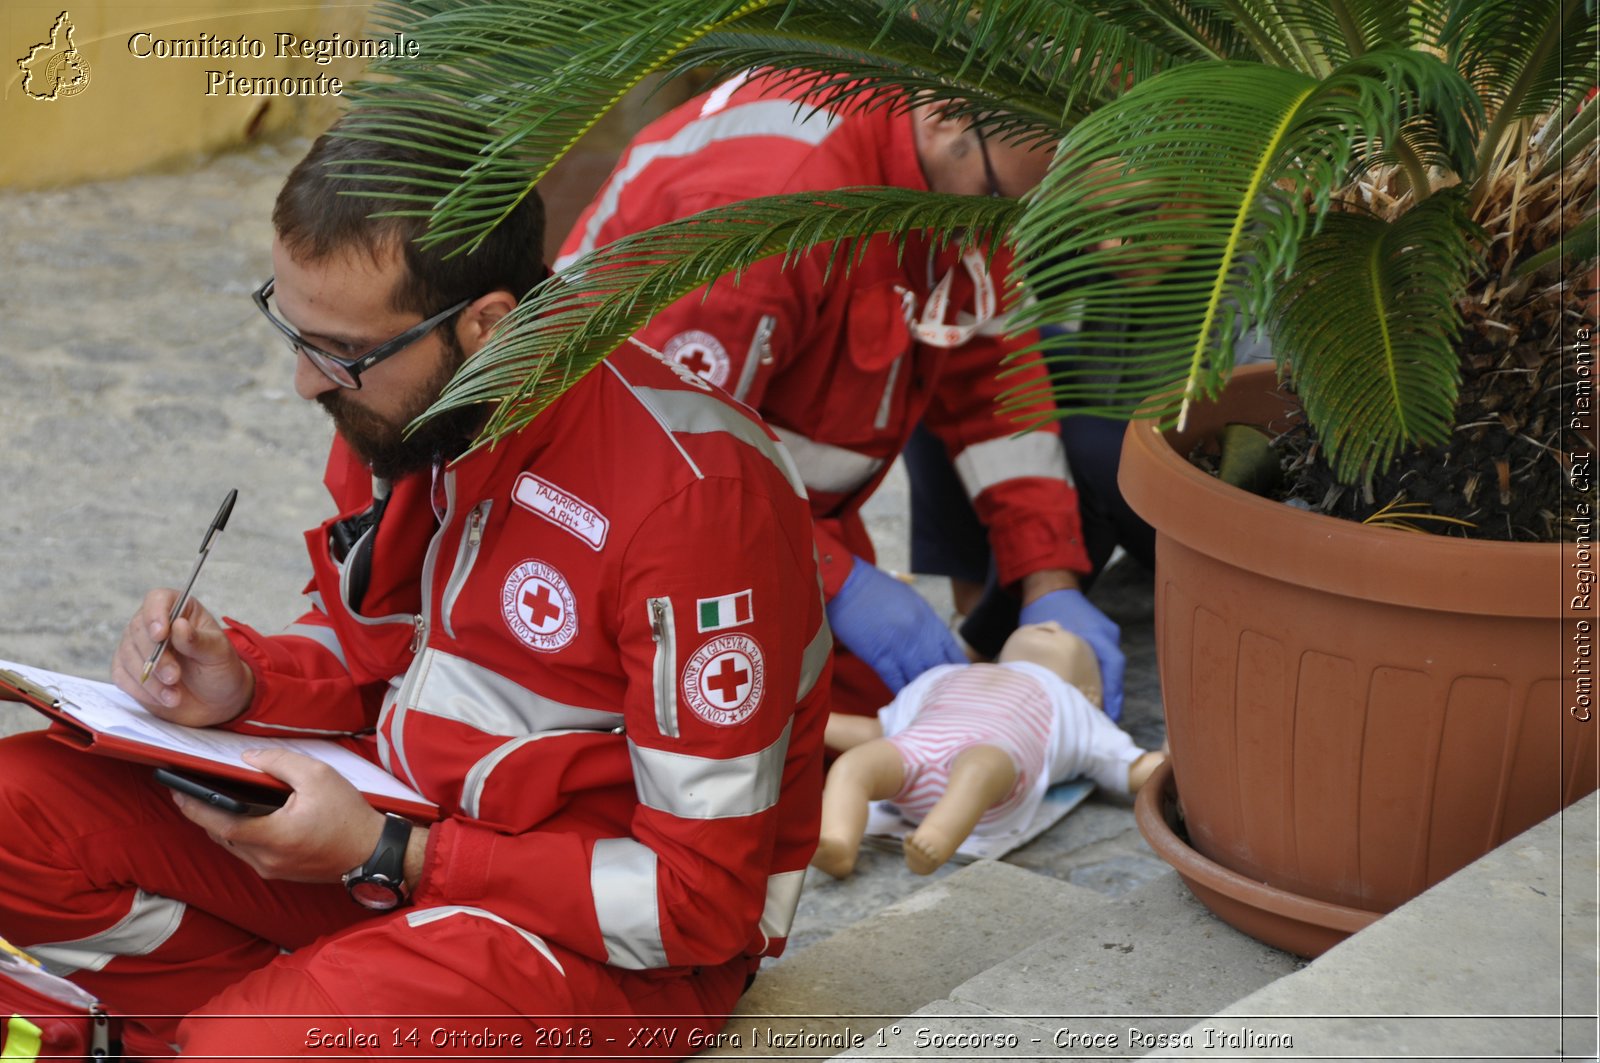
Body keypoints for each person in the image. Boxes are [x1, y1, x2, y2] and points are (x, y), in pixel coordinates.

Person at [0, 115, 830, 1059]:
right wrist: (245, 682)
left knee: (251, 1049)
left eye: (342, 351)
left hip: (615, 954)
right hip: (396, 840)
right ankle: (224, 1030)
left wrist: (393, 854)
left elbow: (701, 907)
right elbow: (371, 643)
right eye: (294, 329)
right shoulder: (410, 406)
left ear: (486, 322)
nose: (308, 385)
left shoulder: (691, 504)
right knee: (11, 811)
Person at [557, 71, 1126, 719]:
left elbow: (991, 373)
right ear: (945, 115)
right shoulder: (766, 216)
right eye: (1003, 207)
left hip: (781, 510)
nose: (1008, 238)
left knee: (894, 712)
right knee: (737, 733)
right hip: (613, 517)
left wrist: (1048, 575)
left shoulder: (977, 178)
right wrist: (838, 581)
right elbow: (663, 454)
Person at [811, 621, 1163, 879]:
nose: (1053, 622)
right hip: (912, 753)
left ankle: (937, 836)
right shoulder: (947, 674)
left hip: (991, 774)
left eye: (1068, 634)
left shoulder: (1079, 708)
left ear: (1091, 691)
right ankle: (839, 841)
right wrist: (817, 721)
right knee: (855, 765)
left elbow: (1132, 767)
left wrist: (1170, 758)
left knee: (981, 766)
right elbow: (878, 729)